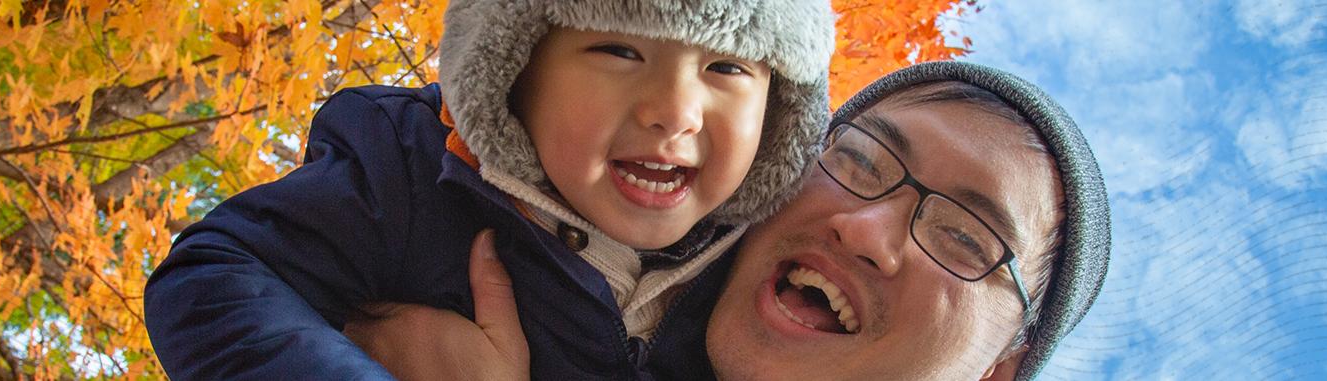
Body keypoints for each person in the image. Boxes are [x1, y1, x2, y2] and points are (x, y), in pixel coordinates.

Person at [143, 0, 835, 379]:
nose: (675, 111)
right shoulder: (409, 172)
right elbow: (218, 278)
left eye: (726, 67)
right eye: (619, 51)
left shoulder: (751, 282)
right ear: (517, 72)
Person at [345, 61, 1111, 381]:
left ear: (996, 371)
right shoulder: (502, 208)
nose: (865, 229)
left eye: (965, 238)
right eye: (861, 160)